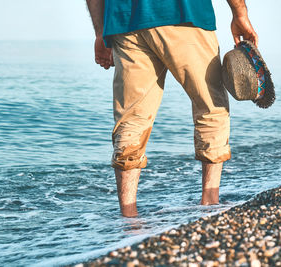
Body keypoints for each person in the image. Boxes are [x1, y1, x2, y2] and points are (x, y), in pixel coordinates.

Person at [86, 0, 258, 217]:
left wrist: (101, 32)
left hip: (125, 21)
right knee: (210, 107)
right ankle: (210, 203)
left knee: (131, 118)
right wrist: (240, 14)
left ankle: (128, 217)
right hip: (184, 15)